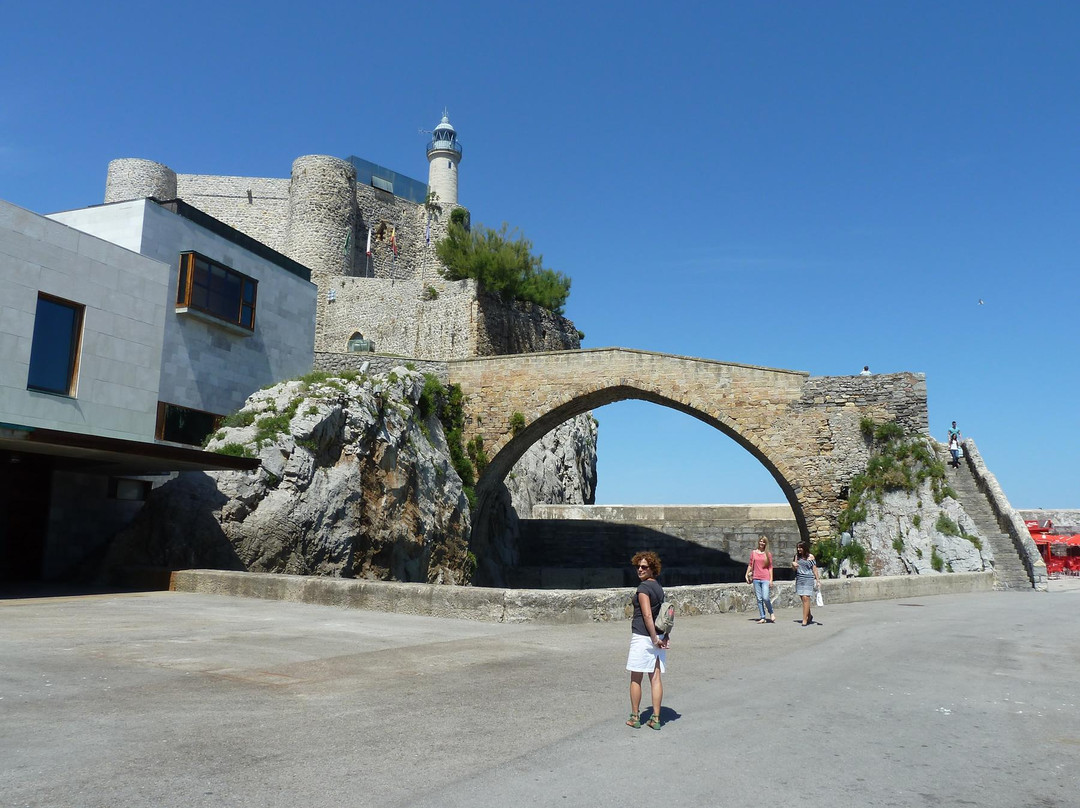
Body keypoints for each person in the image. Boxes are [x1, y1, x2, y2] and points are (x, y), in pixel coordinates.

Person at [625, 551, 668, 730]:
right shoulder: (658, 588)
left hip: (644, 637)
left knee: (636, 677)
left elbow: (648, 615)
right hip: (658, 636)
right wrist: (663, 637)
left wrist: (652, 638)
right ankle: (656, 718)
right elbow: (666, 614)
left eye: (644, 567)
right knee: (656, 677)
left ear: (652, 569)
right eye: (638, 567)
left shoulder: (643, 589)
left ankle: (635, 717)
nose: (640, 570)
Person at [745, 535, 776, 624]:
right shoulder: (754, 553)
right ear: (758, 542)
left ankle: (771, 612)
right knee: (759, 599)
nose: (762, 543)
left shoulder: (768, 554)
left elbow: (770, 567)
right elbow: (750, 564)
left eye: (763, 542)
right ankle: (762, 617)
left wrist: (771, 580)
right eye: (761, 541)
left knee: (765, 597)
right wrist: (747, 574)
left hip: (765, 577)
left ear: (766, 544)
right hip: (756, 578)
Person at [792, 541, 821, 626]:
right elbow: (794, 569)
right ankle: (809, 615)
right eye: (798, 548)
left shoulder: (810, 557)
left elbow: (814, 569)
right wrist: (793, 565)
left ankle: (804, 620)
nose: (799, 549)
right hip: (800, 578)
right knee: (803, 598)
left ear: (804, 548)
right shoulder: (797, 557)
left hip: (808, 578)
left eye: (800, 547)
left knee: (806, 598)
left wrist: (818, 580)